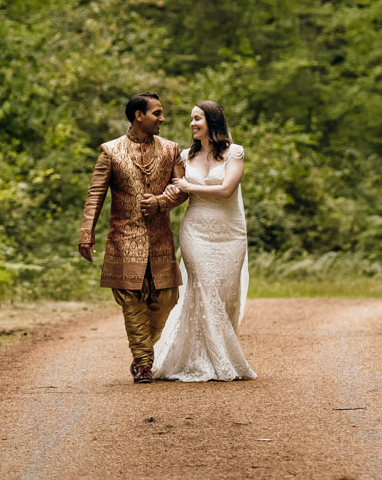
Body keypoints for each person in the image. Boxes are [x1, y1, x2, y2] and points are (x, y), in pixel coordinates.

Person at [79, 92, 189, 383]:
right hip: (124, 238)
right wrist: (86, 232)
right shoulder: (110, 151)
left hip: (161, 239)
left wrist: (162, 202)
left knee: (167, 298)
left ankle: (144, 351)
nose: (162, 118)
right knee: (131, 299)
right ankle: (143, 363)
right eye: (157, 113)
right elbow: (95, 194)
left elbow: (182, 187)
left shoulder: (170, 149)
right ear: (139, 116)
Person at [151, 100, 255, 382]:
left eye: (197, 119)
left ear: (212, 120)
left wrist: (189, 185)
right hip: (196, 230)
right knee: (204, 287)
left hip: (230, 233)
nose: (192, 124)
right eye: (191, 119)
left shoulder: (235, 153)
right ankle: (212, 359)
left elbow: (226, 191)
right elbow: (172, 190)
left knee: (226, 293)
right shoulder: (184, 157)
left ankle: (218, 352)